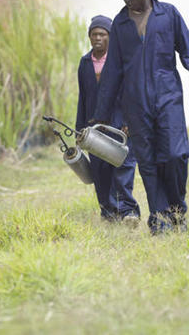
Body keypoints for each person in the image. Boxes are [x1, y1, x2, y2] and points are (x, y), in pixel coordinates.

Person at [93, 0, 189, 234]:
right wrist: (102, 112)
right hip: (135, 103)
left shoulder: (168, 15)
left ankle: (176, 210)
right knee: (148, 162)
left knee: (175, 154)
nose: (127, 1)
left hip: (167, 97)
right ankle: (159, 218)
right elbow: (114, 69)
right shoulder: (121, 24)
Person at [76, 15, 141, 224]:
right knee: (99, 170)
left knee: (123, 166)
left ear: (111, 37)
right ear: (89, 36)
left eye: (102, 34)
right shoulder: (85, 63)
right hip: (93, 125)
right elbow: (83, 96)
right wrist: (80, 127)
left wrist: (130, 120)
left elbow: (131, 92)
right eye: (94, 34)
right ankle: (108, 212)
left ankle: (129, 211)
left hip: (120, 123)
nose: (98, 38)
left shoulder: (121, 61)